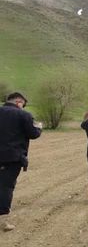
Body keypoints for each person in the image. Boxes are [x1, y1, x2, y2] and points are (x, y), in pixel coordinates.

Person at [0, 92, 42, 231]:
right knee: (6, 187)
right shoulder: (23, 115)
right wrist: (39, 127)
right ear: (19, 101)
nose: (23, 107)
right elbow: (33, 134)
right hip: (12, 157)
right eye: (23, 104)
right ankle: (3, 221)